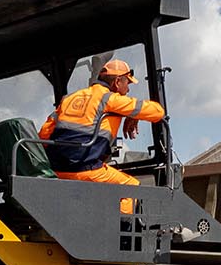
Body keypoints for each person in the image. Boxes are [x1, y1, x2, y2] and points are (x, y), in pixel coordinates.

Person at [38, 58, 167, 185]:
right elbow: (158, 112)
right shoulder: (109, 99)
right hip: (84, 169)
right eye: (127, 83)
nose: (128, 89)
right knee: (132, 187)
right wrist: (134, 115)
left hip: (56, 170)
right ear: (117, 82)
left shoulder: (68, 99)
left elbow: (44, 134)